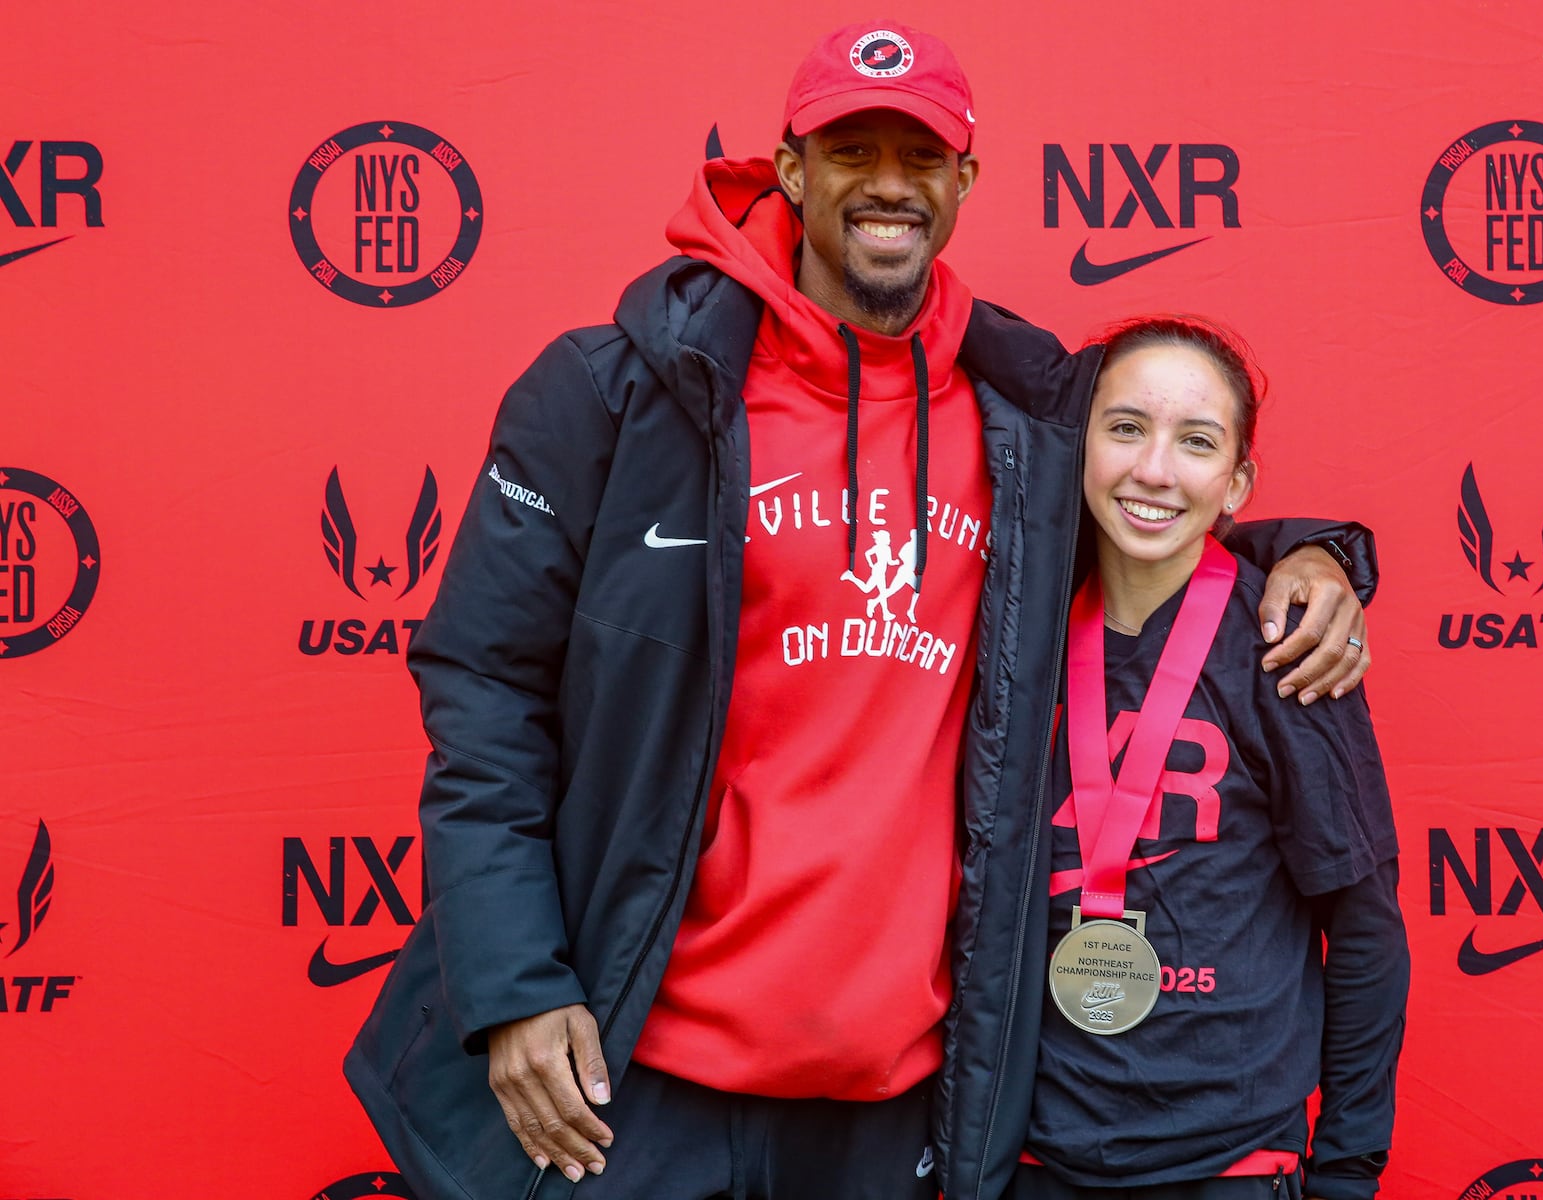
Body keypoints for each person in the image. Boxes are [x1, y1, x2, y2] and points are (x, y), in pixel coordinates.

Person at [344, 21, 1379, 1200]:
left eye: (921, 155)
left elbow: (1154, 498)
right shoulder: (618, 392)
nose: (889, 183)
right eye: (851, 151)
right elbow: (485, 692)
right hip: (633, 1071)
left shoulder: (1020, 419)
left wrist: (1311, 556)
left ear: (964, 181)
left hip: (881, 1110)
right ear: (790, 170)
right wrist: (514, 983)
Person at [1011, 317, 1405, 1200]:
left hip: (1229, 1164)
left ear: (1237, 482)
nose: (1154, 470)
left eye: (1195, 441)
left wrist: (1346, 1173)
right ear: (1077, 444)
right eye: (1124, 428)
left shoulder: (1288, 648)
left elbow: (1365, 931)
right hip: (1032, 1157)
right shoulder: (1010, 628)